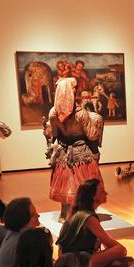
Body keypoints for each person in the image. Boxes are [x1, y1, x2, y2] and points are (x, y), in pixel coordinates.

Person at [45, 77, 105, 221]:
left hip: (63, 153)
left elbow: (54, 134)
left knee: (65, 184)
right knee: (84, 186)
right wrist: (96, 121)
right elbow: (91, 136)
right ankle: (84, 215)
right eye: (73, 89)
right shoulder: (81, 113)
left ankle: (65, 214)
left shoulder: (53, 112)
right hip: (81, 153)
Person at [56, 178, 127, 267]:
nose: (106, 193)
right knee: (121, 250)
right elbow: (116, 247)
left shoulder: (78, 213)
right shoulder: (88, 218)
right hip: (74, 262)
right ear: (93, 196)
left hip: (67, 260)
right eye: (102, 191)